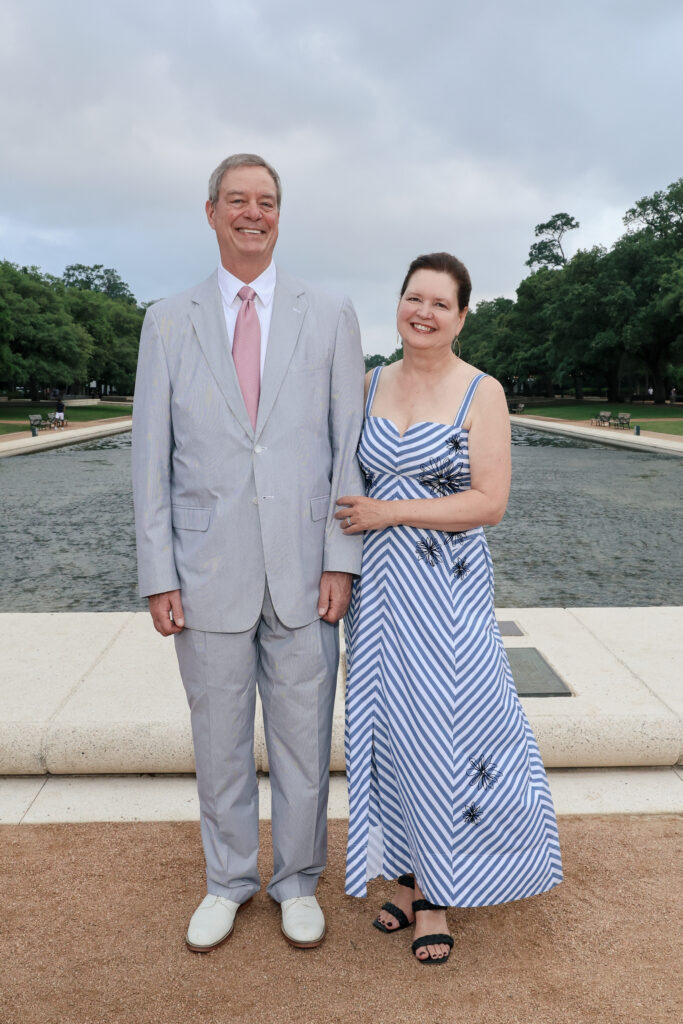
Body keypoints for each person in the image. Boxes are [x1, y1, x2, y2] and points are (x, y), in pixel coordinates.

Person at [132, 153, 365, 952]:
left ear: (279, 214)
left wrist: (341, 559)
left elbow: (348, 448)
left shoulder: (330, 313)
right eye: (237, 200)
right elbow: (149, 461)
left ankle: (296, 881)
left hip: (307, 575)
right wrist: (158, 572)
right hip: (205, 576)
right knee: (219, 741)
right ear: (210, 213)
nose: (252, 213)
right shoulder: (166, 319)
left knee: (305, 743)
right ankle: (228, 880)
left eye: (266, 201)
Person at [336, 252, 562, 965]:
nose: (423, 312)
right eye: (413, 298)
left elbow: (487, 503)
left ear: (461, 316)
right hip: (376, 594)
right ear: (397, 305)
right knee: (388, 730)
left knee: (447, 731)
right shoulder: (366, 383)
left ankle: (438, 892)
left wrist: (386, 511)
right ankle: (405, 878)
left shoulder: (481, 391)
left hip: (447, 594)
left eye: (440, 303)